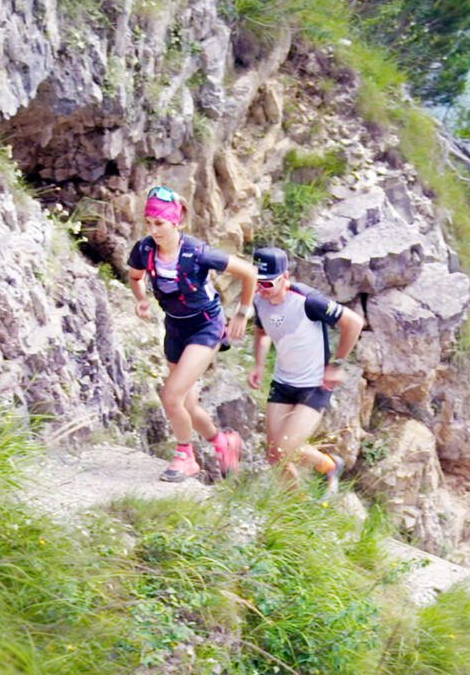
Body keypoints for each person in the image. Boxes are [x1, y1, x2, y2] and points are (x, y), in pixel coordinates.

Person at [126, 184, 256, 483]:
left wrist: (242, 313)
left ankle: (186, 457)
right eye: (149, 223)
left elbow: (248, 273)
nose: (153, 230)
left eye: (160, 223)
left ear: (177, 222)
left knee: (170, 395)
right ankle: (223, 443)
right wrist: (142, 299)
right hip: (174, 326)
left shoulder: (197, 252)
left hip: (206, 325)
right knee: (187, 404)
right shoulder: (144, 250)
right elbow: (135, 277)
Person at [246, 246, 364, 493]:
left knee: (286, 448)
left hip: (314, 385)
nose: (261, 289)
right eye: (257, 282)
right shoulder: (259, 299)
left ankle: (329, 465)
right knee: (273, 454)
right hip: (283, 382)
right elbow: (262, 330)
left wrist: (337, 364)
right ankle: (293, 507)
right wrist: (259, 363)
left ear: (285, 278)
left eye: (268, 284)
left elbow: (353, 322)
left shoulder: (308, 301)